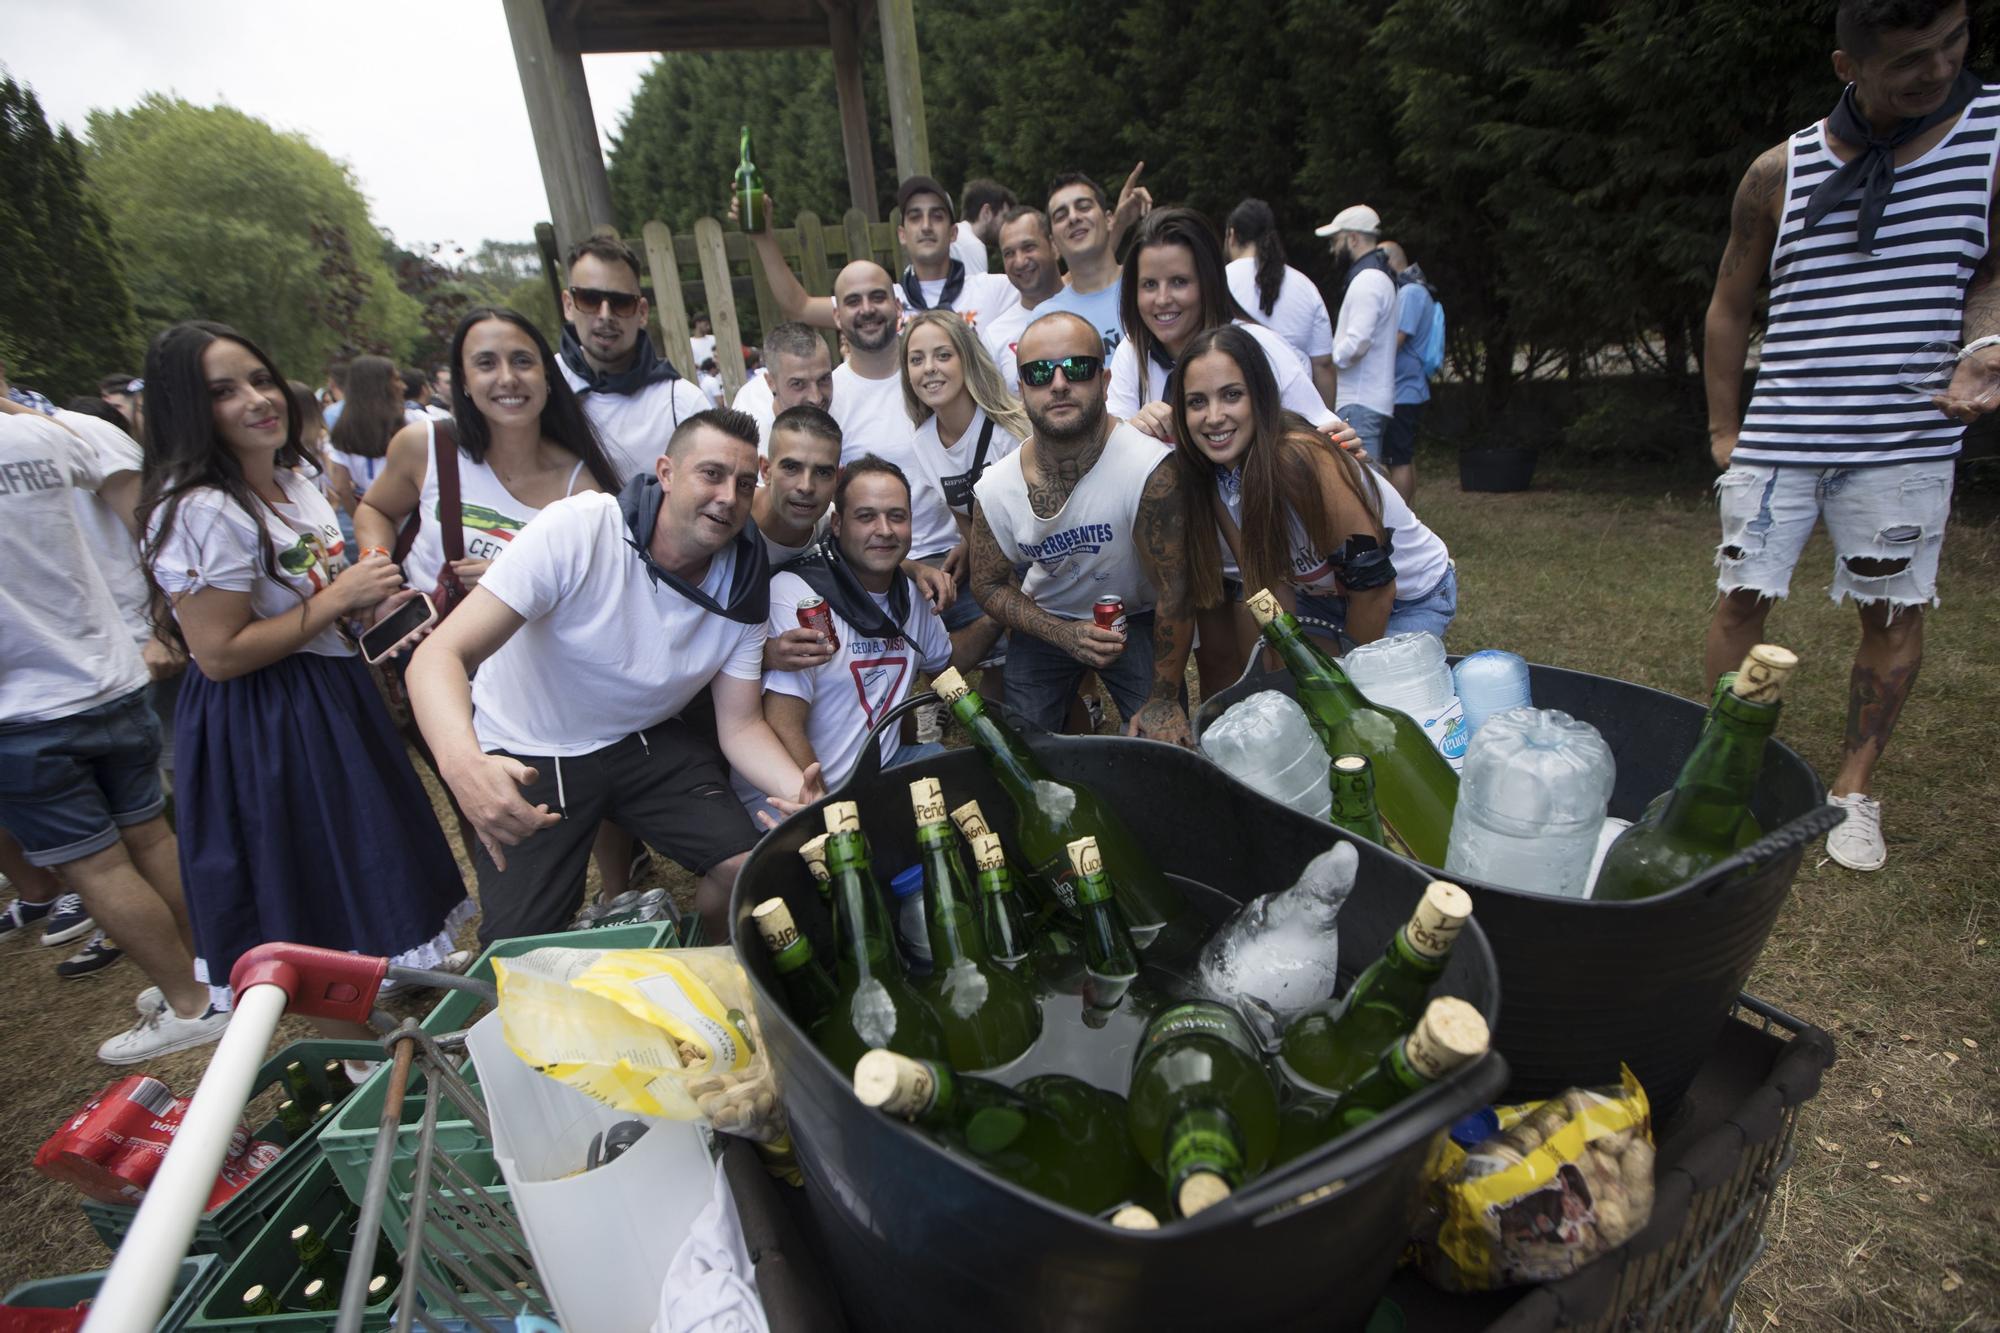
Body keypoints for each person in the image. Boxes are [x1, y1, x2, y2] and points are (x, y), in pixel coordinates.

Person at [1702, 0, 1992, 873]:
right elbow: (1728, 303)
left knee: (1892, 608)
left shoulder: (1991, 135)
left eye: (1953, 43)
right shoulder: (1776, 172)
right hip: (1783, 431)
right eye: (1910, 60)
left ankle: (1853, 791)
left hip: (1904, 437)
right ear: (1847, 67)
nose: (1940, 70)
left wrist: (1984, 344)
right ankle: (1728, 774)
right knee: (1742, 599)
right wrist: (1724, 428)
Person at [138, 320, 468, 1037]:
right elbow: (219, 653)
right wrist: (338, 599)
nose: (258, 399)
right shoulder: (200, 508)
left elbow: (314, 599)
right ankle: (352, 1045)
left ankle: (370, 1010)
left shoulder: (291, 478)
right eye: (224, 391)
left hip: (328, 694)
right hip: (265, 720)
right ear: (187, 408)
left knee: (362, 854)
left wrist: (366, 607)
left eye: (259, 379)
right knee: (309, 878)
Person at [406, 408, 825, 940]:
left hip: (642, 739)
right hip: (534, 745)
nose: (729, 497)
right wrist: (463, 764)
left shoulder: (744, 581)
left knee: (752, 869)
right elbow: (439, 655)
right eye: (711, 474)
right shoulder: (580, 528)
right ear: (666, 473)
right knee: (516, 950)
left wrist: (803, 793)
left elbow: (740, 726)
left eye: (745, 484)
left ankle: (716, 972)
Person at [0, 398, 220, 1060]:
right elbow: (94, 462)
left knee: (96, 864)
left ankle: (191, 1001)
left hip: (22, 708)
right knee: (151, 838)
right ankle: (208, 977)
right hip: (108, 671)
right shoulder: (40, 435)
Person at [1168, 325, 1456, 686]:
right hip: (1324, 601)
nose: (1213, 416)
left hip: (1408, 596)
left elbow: (1375, 587)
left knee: (1376, 702)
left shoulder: (1302, 460)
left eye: (1231, 395)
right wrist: (1281, 667)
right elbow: (1264, 584)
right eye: (1197, 401)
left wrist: (1348, 686)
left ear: (1260, 396)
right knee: (1298, 696)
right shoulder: (1214, 478)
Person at [968, 312, 1193, 744]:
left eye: (1077, 368)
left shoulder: (1150, 470)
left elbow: (1175, 592)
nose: (1057, 383)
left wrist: (1163, 700)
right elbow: (988, 584)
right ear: (1021, 390)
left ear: (1105, 381)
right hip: (1047, 621)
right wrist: (1061, 634)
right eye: (1038, 373)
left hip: (1139, 617)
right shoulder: (996, 489)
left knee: (1166, 753)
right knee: (1024, 750)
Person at [755, 455, 953, 797]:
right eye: (866, 517)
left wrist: (995, 616)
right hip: (800, 793)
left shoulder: (912, 592)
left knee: (943, 764)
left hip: (879, 774)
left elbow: (946, 666)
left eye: (897, 517)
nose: (885, 530)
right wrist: (828, 811)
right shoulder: (798, 596)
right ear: (836, 524)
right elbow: (783, 724)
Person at [1109, 208, 1346, 442]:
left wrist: (1343, 447)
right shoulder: (1132, 353)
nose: (1162, 299)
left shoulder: (1260, 347)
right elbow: (1112, 451)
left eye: (1179, 282)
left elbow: (1321, 436)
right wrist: (1132, 430)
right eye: (1149, 284)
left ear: (1208, 281)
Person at [745, 177, 1020, 350]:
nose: (925, 226)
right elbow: (799, 307)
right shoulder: (882, 305)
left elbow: (1059, 286)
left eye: (936, 216)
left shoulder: (993, 290)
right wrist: (763, 237)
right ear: (902, 234)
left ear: (953, 232)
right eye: (914, 217)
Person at [901, 309, 1028, 673]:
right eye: (916, 359)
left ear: (967, 359)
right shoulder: (922, 442)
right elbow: (964, 516)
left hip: (1038, 561)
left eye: (943, 355)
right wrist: (972, 549)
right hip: (997, 564)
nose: (929, 368)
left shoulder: (1010, 430)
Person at [556, 234, 711, 485]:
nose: (605, 315)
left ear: (642, 312)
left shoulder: (681, 404)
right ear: (568, 304)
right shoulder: (544, 388)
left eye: (620, 302)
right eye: (590, 299)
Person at [1224, 198, 1340, 409]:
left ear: (1232, 235)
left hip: (1234, 411)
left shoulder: (1218, 281)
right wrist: (1325, 420)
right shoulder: (1305, 287)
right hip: (1295, 413)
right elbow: (1323, 364)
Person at [1316, 204, 1400, 462]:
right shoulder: (1376, 276)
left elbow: (1358, 341)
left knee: (1363, 486)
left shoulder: (1368, 279)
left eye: (1336, 240)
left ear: (1352, 238)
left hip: (1359, 400)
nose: (1333, 248)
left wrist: (1326, 363)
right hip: (1366, 399)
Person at [1037, 167, 1152, 353]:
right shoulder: (1046, 319)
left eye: (1083, 207)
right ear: (1053, 244)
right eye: (1061, 216)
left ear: (1109, 220)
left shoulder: (1149, 286)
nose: (1073, 218)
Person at [978, 206, 1068, 390]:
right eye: (1009, 253)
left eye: (1028, 247)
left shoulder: (1089, 304)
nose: (1019, 261)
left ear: (1054, 246)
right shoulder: (995, 336)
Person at [1379, 239, 1438, 503]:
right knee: (1403, 456)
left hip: (1404, 390)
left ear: (1390, 261)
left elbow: (1399, 337)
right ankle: (1409, 513)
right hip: (1407, 388)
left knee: (1397, 459)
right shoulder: (1415, 289)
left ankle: (1401, 520)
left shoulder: (1410, 293)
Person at [325, 355, 407, 530]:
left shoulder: (341, 430)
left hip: (370, 515)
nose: (403, 386)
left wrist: (362, 521)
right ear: (381, 384)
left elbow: (342, 488)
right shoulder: (414, 422)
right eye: (397, 379)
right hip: (412, 514)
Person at [732, 321, 835, 452]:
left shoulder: (846, 402)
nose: (816, 398)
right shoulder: (752, 444)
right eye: (798, 384)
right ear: (771, 383)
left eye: (824, 379)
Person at [955, 178, 1017, 274]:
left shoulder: (956, 237)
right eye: (1004, 217)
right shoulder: (971, 245)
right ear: (986, 212)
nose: (1006, 226)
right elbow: (976, 289)